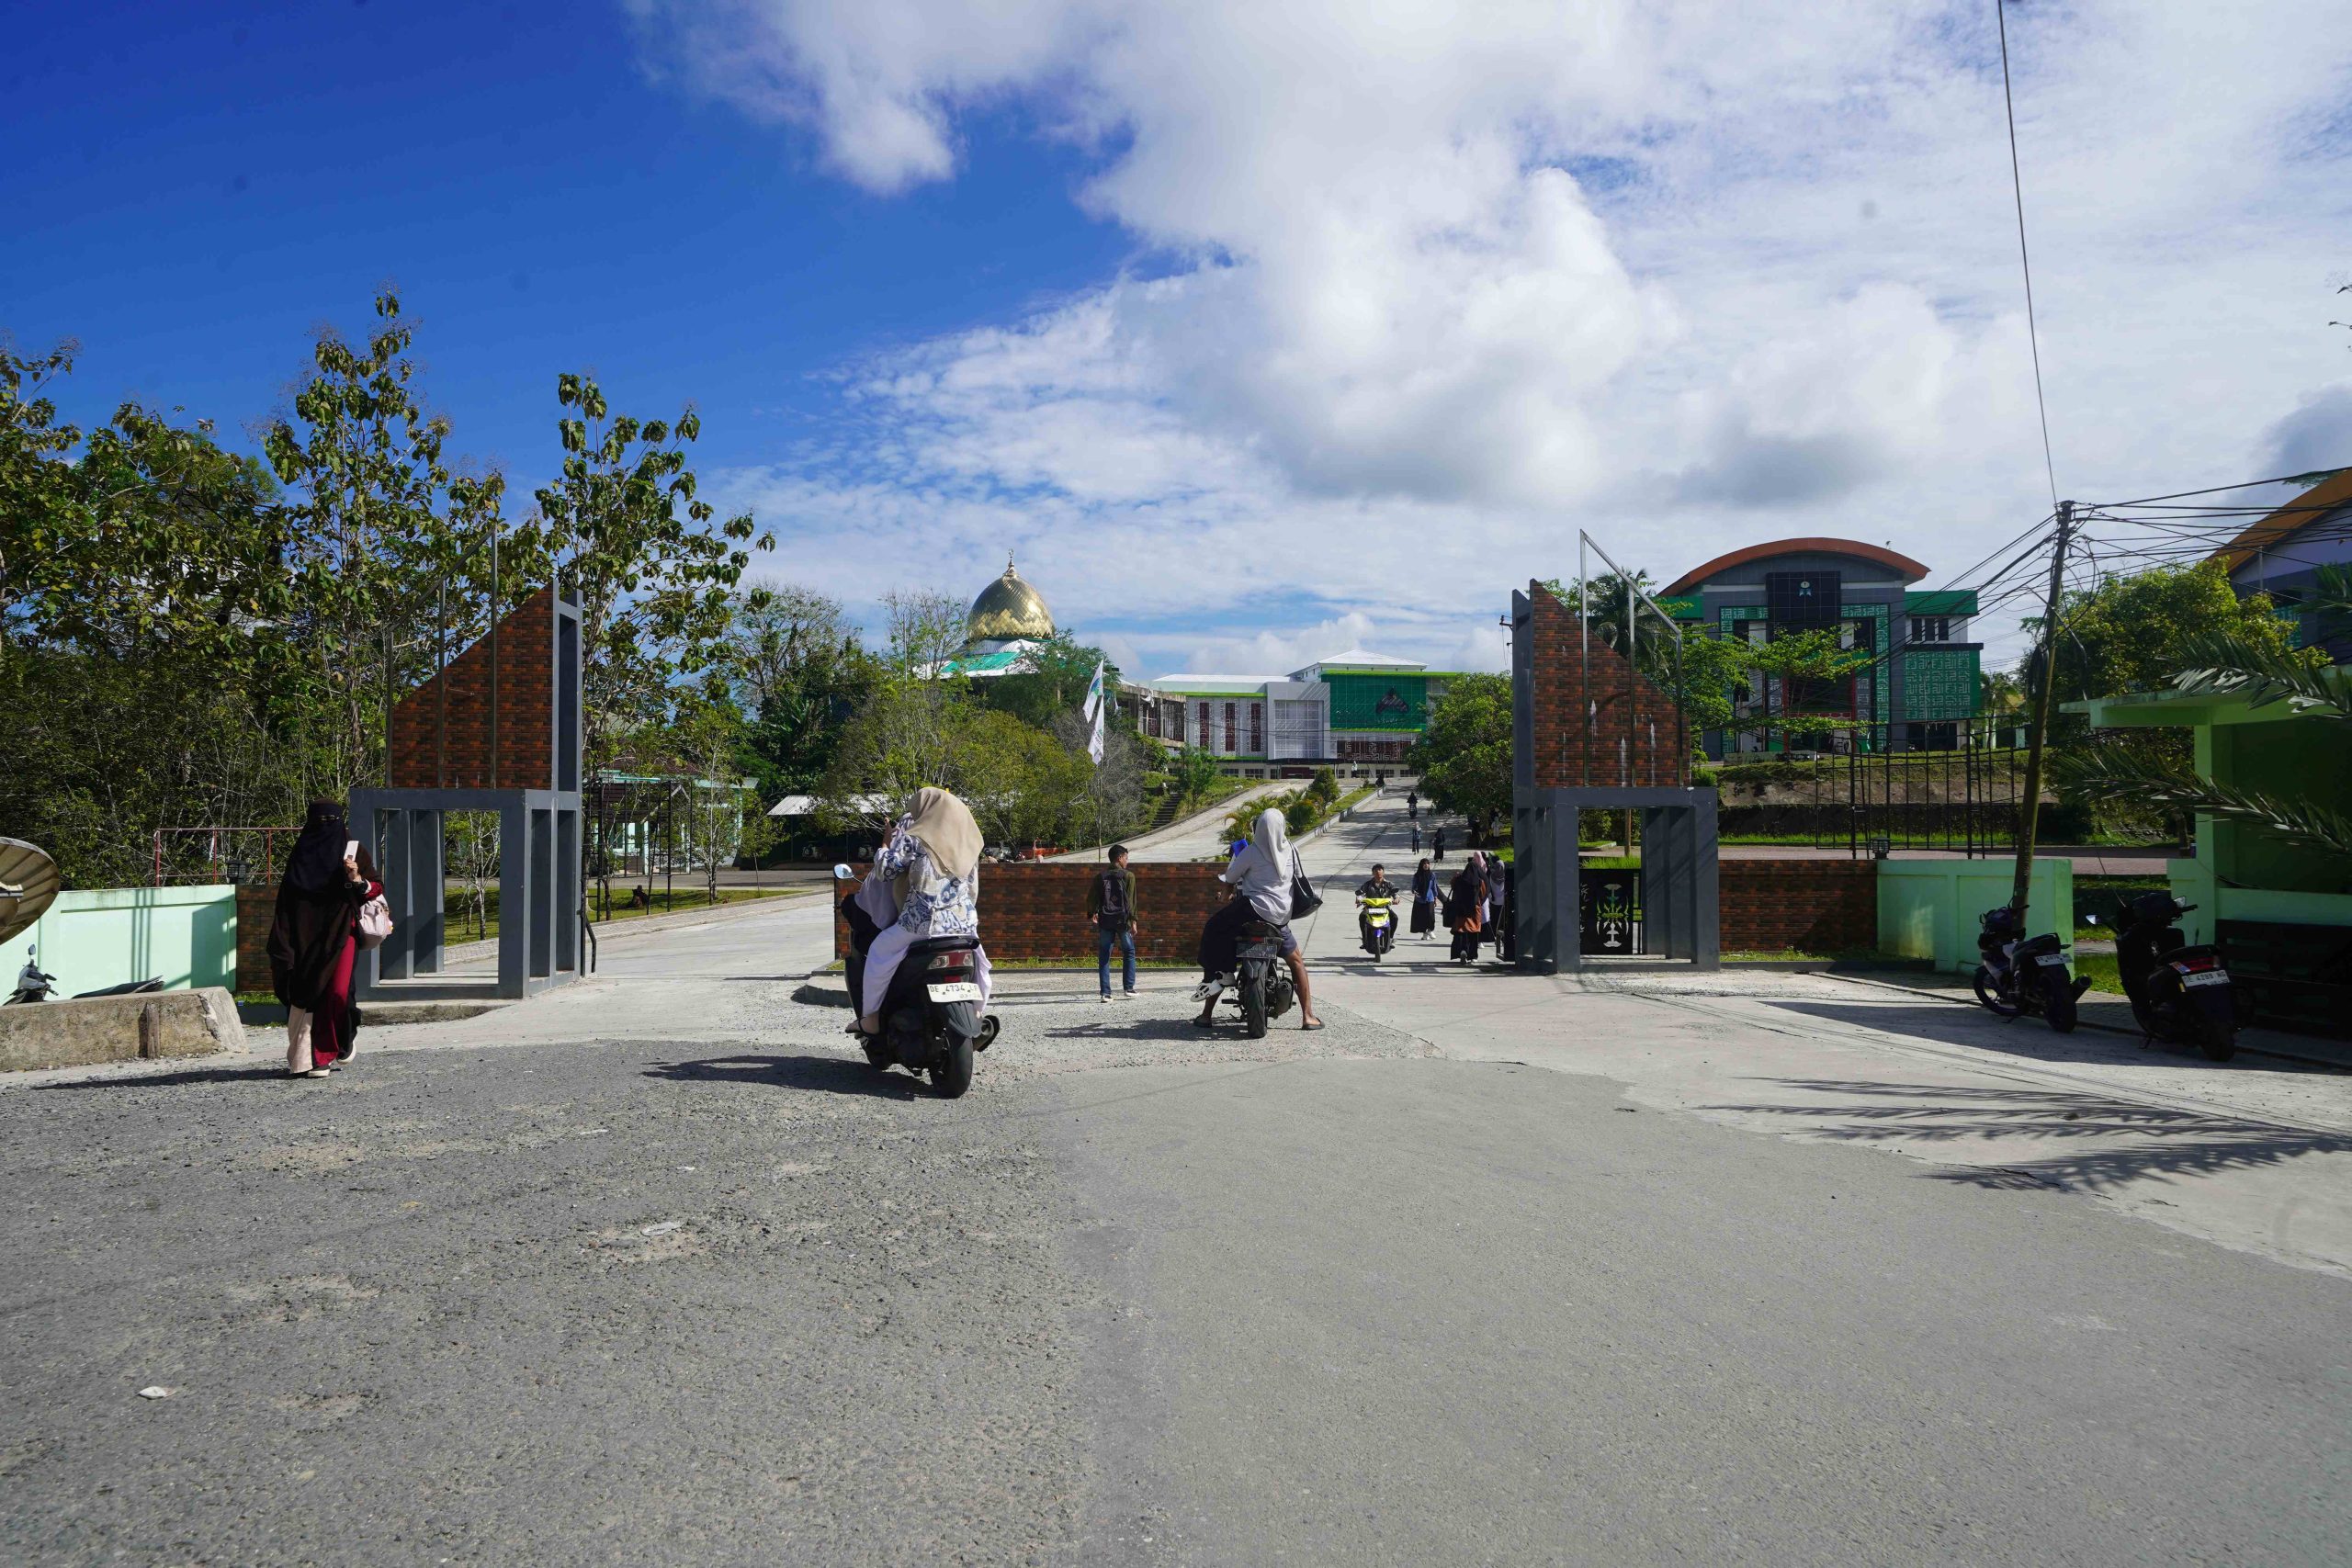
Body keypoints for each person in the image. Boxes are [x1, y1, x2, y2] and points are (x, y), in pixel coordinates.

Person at [854, 787, 988, 1035]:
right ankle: (979, 1012)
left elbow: (887, 871)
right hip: (964, 924)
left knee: (878, 954)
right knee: (981, 964)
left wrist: (885, 843)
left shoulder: (917, 837)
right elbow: (972, 889)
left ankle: (870, 1019)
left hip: (922, 923)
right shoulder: (967, 843)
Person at [266, 800, 378, 1078]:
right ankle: (319, 1058)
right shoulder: (300, 855)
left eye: (332, 820)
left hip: (342, 930)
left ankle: (341, 1040)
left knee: (338, 992)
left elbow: (375, 887)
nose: (326, 826)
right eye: (321, 820)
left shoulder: (353, 851)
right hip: (304, 935)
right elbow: (286, 901)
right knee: (309, 992)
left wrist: (357, 879)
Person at [1194, 807, 1322, 1030]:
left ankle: (1210, 1004)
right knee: (1297, 962)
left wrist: (1226, 893)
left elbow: (1231, 877)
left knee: (1215, 928)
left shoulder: (1252, 852)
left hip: (1251, 910)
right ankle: (1308, 1017)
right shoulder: (1291, 850)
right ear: (1282, 827)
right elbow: (1299, 878)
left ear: (1258, 828)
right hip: (1280, 918)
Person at [1087, 844, 1140, 1002]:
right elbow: (1132, 901)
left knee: (1104, 955)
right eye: (1126, 858)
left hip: (1106, 919)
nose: (1127, 861)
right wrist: (1134, 921)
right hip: (1122, 920)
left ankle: (1105, 993)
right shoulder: (1128, 876)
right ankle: (1129, 988)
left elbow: (1091, 898)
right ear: (1119, 858)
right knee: (1129, 952)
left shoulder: (1101, 876)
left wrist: (1092, 913)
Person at [1447, 853, 1487, 964]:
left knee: (1461, 932)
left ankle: (1461, 950)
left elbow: (1452, 885)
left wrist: (1456, 877)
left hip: (1461, 911)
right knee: (1473, 934)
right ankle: (1473, 956)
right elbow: (1483, 895)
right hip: (1474, 912)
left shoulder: (1460, 880)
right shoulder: (1479, 882)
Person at [1355, 863, 1398, 957]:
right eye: (1375, 870)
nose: (1378, 872)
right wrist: (1359, 899)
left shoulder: (1389, 884)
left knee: (1394, 917)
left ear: (1383, 872)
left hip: (1384, 908)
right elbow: (1361, 894)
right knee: (1362, 916)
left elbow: (1395, 894)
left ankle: (1390, 938)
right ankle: (1364, 938)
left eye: (1380, 870)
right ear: (1372, 873)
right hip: (1370, 908)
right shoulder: (1367, 884)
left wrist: (1396, 899)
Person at [1409, 857, 1440, 941]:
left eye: (1427, 864)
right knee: (1422, 917)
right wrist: (1415, 891)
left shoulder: (1432, 875)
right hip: (1420, 899)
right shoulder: (1417, 875)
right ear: (1421, 865)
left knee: (1430, 916)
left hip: (1430, 898)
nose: (1426, 865)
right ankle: (1425, 934)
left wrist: (1435, 898)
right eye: (1424, 864)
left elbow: (1434, 887)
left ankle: (1430, 930)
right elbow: (1413, 887)